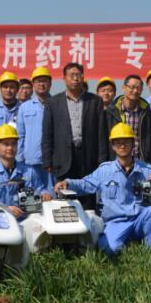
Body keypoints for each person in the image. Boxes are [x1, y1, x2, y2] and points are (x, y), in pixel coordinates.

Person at [54, 123, 151, 255]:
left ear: (133, 144)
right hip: (116, 222)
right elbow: (85, 184)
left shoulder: (147, 170)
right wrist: (67, 183)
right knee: (110, 250)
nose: (122, 146)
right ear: (113, 146)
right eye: (118, 143)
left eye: (126, 142)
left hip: (139, 218)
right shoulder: (105, 170)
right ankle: (126, 240)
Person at [42, 63, 108, 209]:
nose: (76, 79)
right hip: (62, 158)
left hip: (88, 159)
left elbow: (102, 134)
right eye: (72, 75)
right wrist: (47, 160)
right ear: (64, 78)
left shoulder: (95, 101)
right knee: (63, 201)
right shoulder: (53, 102)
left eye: (78, 75)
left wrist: (102, 161)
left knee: (87, 200)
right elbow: (47, 133)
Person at [0, 125, 52, 219]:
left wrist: (45, 194)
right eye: (6, 144)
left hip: (25, 223)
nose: (10, 148)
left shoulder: (30, 172)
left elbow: (40, 188)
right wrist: (6, 209)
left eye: (13, 144)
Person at [104, 75, 151, 167]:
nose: (135, 91)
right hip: (116, 164)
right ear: (124, 88)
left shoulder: (146, 111)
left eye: (138, 88)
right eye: (132, 87)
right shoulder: (111, 111)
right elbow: (104, 141)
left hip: (141, 164)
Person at [17, 67, 54, 189]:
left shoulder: (58, 104)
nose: (42, 84)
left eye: (45, 81)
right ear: (33, 84)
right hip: (30, 162)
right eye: (38, 81)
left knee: (52, 200)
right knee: (31, 202)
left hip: (52, 163)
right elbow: (20, 136)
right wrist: (19, 160)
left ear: (50, 84)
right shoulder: (24, 107)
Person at [0, 71, 21, 163]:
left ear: (17, 89)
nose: (8, 90)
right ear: (0, 89)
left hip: (17, 160)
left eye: (12, 87)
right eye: (5, 87)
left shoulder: (24, 110)